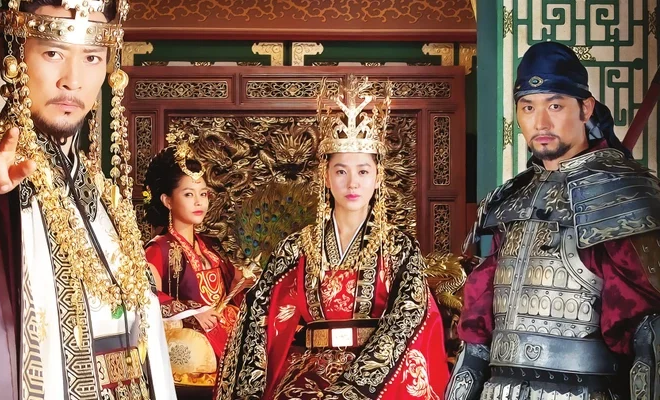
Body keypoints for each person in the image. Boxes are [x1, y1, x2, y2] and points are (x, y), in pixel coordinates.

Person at [0, 0, 176, 399]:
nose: (73, 81)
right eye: (53, 53)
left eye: (92, 57)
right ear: (7, 53)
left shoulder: (103, 193)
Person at [445, 41, 660, 399]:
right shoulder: (511, 199)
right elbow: (478, 330)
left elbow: (648, 333)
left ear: (585, 108)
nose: (540, 122)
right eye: (528, 107)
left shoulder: (623, 197)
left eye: (555, 105)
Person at [215, 75, 450, 400]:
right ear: (326, 176)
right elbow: (258, 309)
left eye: (363, 171)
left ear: (377, 177)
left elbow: (409, 317)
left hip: (379, 378)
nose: (352, 183)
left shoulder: (399, 248)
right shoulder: (296, 247)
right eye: (341, 171)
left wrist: (356, 386)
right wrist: (249, 389)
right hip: (308, 372)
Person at [142, 143, 251, 387]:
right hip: (193, 341)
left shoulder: (211, 247)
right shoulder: (158, 249)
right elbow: (146, 295)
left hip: (225, 334)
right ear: (167, 200)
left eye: (203, 194)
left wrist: (247, 280)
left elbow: (235, 288)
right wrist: (193, 311)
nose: (199, 202)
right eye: (189, 194)